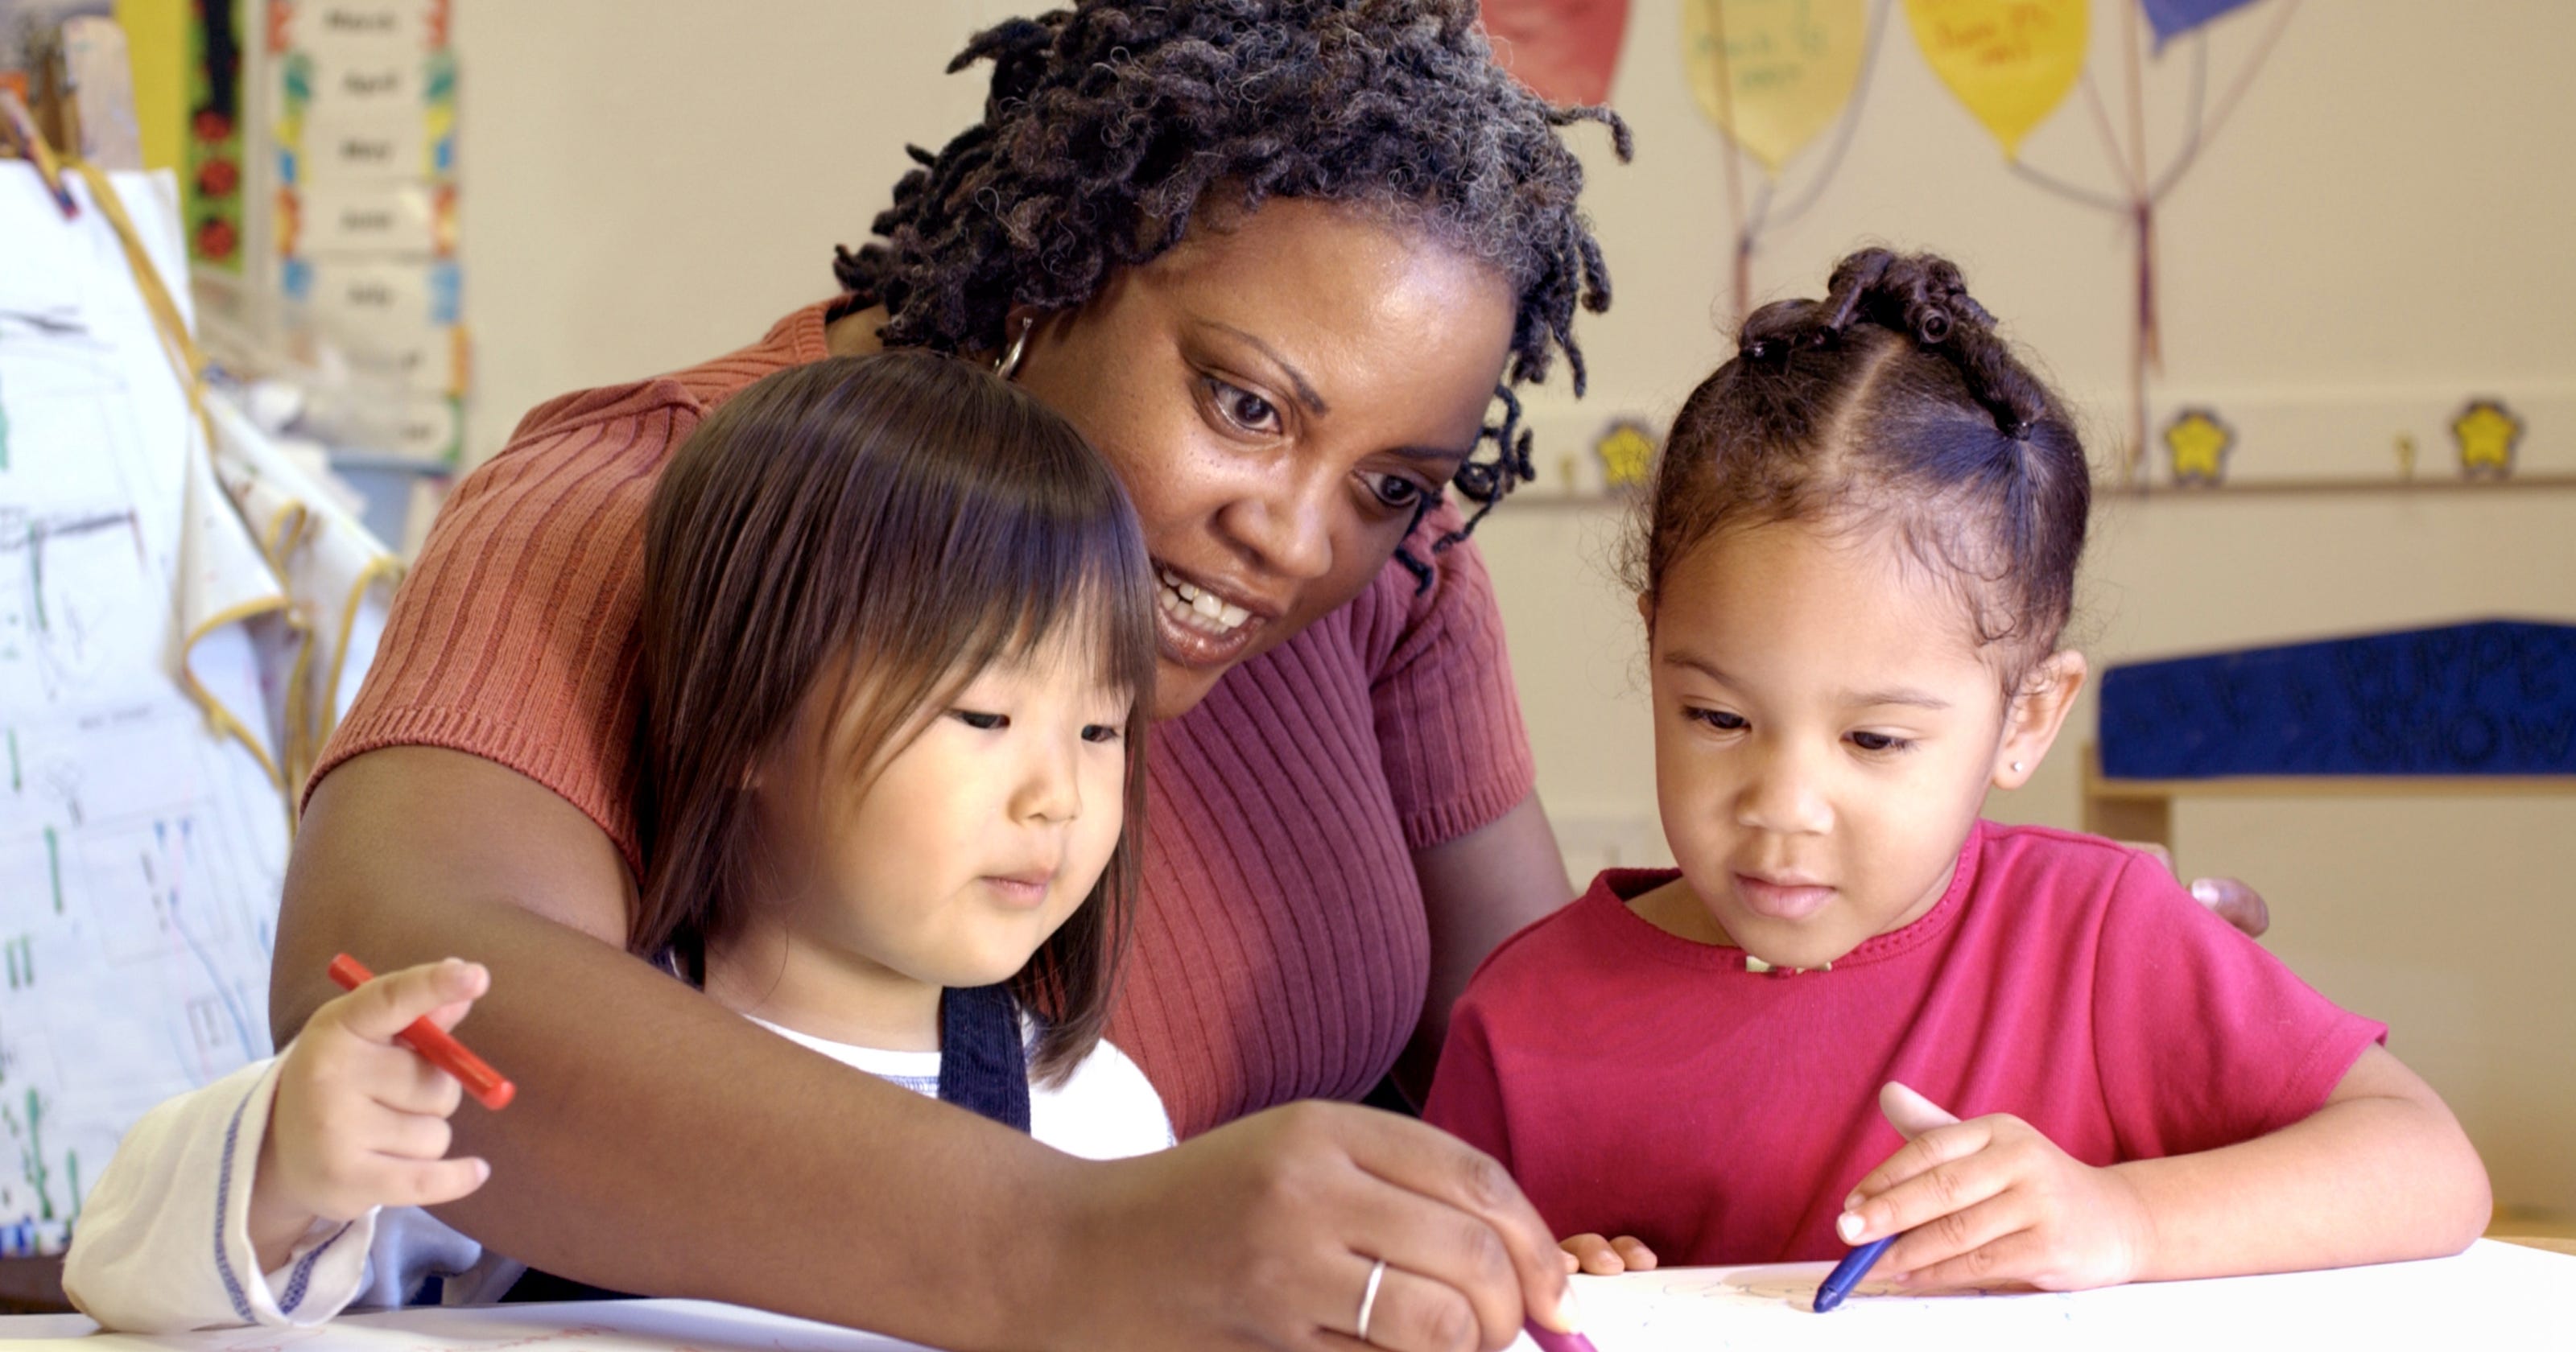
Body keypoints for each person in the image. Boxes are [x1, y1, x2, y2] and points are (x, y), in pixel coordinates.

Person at [1421, 251, 2491, 1291]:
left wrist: (2121, 1220)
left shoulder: (2100, 936)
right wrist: (1546, 1286)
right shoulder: (1524, 1020)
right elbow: (1448, 1280)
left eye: (1874, 741)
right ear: (1653, 654)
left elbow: (2428, 1165)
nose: (1783, 808)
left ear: (2026, 717)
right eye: (1717, 716)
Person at [64, 353, 1174, 1330]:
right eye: (985, 719)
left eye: (1101, 729)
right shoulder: (537, 1078)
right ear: (749, 715)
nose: (1058, 798)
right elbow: (123, 1276)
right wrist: (283, 1163)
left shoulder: (1100, 1121)